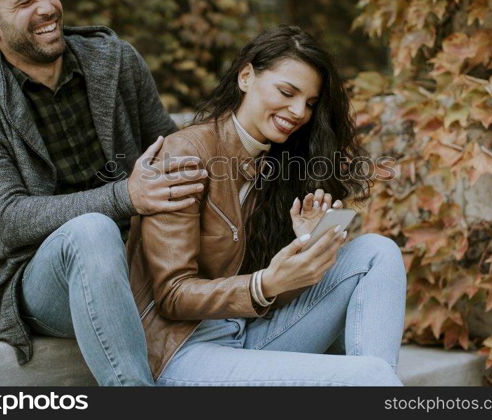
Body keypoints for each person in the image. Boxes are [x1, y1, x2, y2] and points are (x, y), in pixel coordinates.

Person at [0, 0, 206, 386]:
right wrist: (124, 196)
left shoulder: (116, 60)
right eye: (26, 2)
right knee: (92, 229)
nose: (49, 8)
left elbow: (169, 147)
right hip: (47, 280)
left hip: (145, 257)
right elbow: (11, 218)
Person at [127, 25, 407, 386]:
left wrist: (304, 249)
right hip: (185, 352)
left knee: (377, 251)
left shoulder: (280, 162)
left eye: (309, 103)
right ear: (246, 76)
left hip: (247, 335)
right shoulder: (186, 154)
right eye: (287, 92)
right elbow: (172, 294)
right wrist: (264, 283)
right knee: (370, 376)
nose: (298, 112)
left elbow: (269, 292)